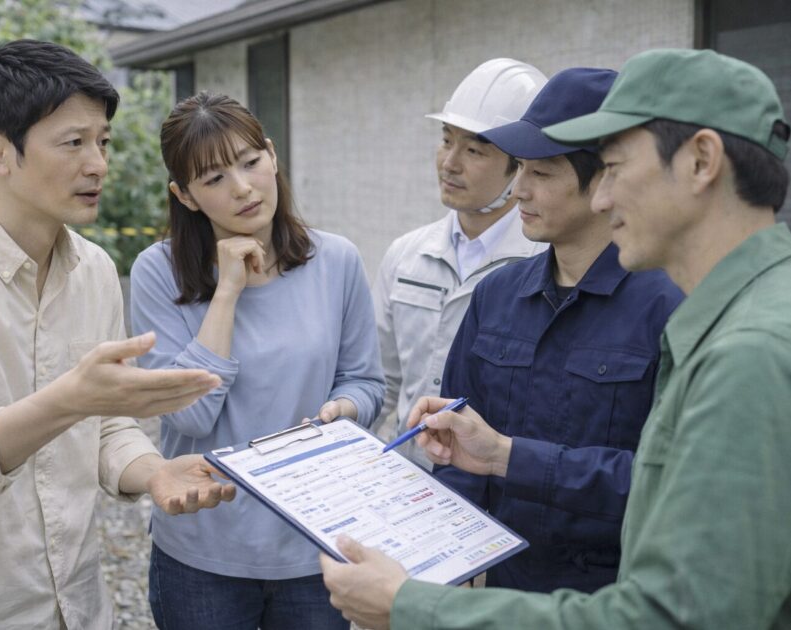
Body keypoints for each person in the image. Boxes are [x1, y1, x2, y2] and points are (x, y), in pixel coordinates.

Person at [320, 48, 791, 630]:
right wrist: (495, 462)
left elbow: (678, 615)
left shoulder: (753, 349)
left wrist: (413, 606)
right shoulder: (739, 320)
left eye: (615, 167)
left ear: (700, 161)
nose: (602, 197)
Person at [0, 40, 236, 629]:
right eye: (73, 142)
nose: (98, 163)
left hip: (75, 608)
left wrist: (153, 470)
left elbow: (107, 427)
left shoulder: (96, 270)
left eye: (103, 141)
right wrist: (67, 401)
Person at [129, 92, 384, 630]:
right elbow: (189, 416)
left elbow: (365, 381)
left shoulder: (335, 259)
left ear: (272, 156)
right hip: (203, 552)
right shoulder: (158, 272)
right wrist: (226, 293)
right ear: (186, 196)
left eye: (250, 162)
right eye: (214, 178)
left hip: (313, 542)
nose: (242, 188)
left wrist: (345, 408)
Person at [429, 67, 683, 594]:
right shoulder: (496, 296)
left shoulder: (670, 306)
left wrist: (510, 457)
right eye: (518, 167)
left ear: (607, 181)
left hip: (619, 598)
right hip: (503, 593)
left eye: (542, 173)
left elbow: (674, 482)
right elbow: (457, 444)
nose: (518, 189)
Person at [373, 59, 548, 469]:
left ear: (520, 164)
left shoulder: (542, 265)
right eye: (446, 139)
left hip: (489, 498)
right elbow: (383, 385)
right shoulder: (405, 254)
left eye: (473, 149)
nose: (450, 162)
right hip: (405, 486)